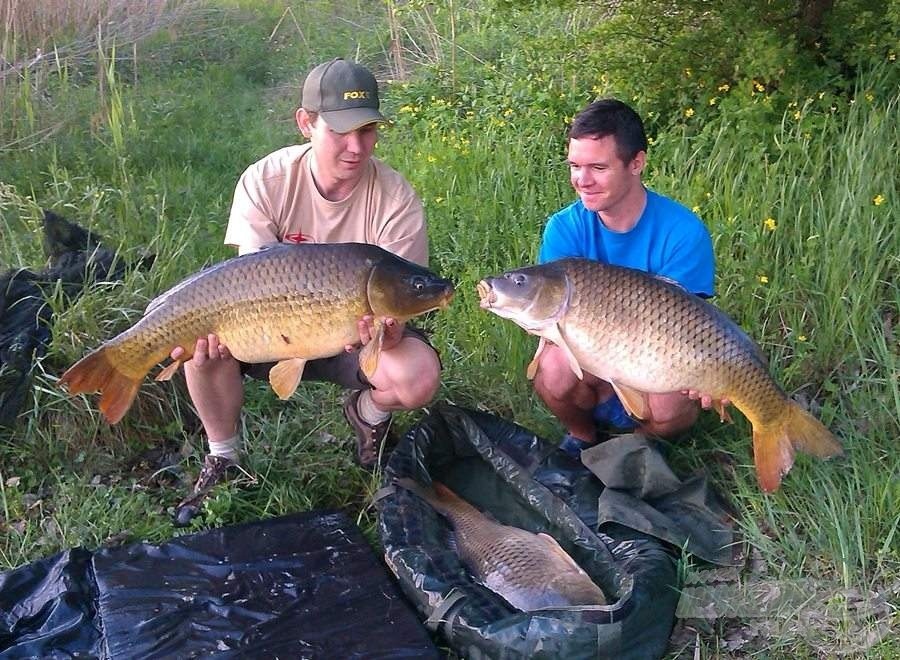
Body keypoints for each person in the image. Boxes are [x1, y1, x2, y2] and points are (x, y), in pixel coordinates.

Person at [170, 58, 440, 525]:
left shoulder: (396, 198)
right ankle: (223, 456)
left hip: (351, 335)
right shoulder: (266, 181)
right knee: (202, 347)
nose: (357, 147)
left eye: (368, 130)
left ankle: (368, 412)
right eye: (341, 132)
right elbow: (250, 281)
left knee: (416, 375)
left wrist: (389, 334)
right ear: (305, 123)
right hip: (266, 327)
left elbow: (402, 294)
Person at [533, 98, 718, 457]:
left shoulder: (682, 231)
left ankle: (638, 444)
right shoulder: (565, 228)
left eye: (598, 167)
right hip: (592, 355)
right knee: (552, 369)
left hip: (657, 358)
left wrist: (706, 375)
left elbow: (694, 327)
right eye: (575, 166)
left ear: (637, 163)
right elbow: (552, 319)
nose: (582, 181)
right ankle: (583, 436)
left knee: (669, 407)